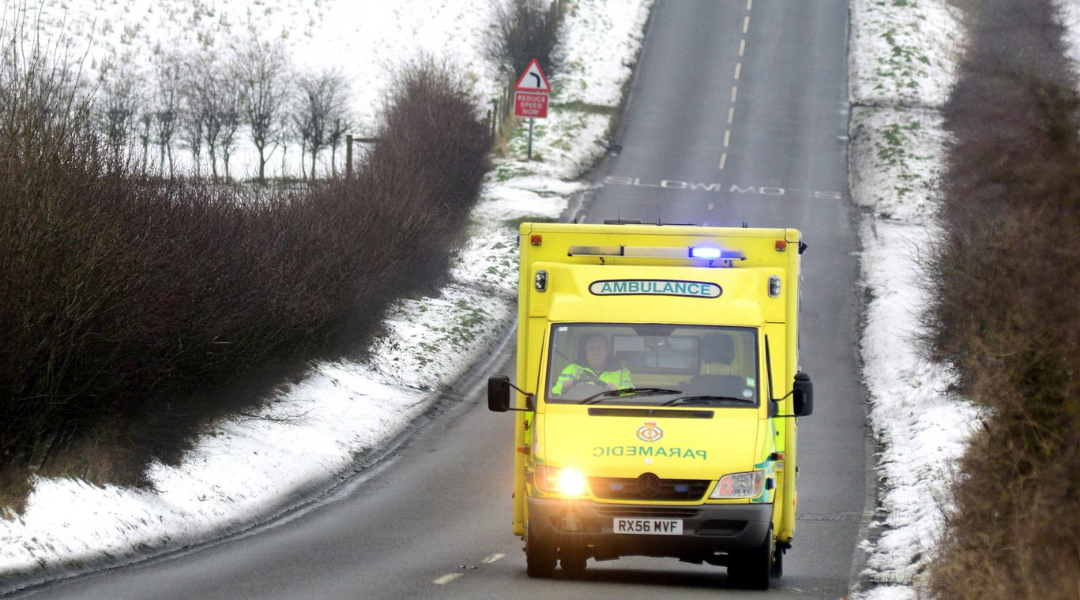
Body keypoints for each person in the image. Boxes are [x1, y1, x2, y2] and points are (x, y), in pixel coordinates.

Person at [551, 333, 633, 395]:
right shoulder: (572, 369)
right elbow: (554, 392)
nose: (595, 352)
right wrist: (563, 388)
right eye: (591, 348)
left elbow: (631, 394)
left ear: (607, 350)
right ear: (585, 351)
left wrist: (617, 392)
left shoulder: (621, 372)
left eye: (599, 348)